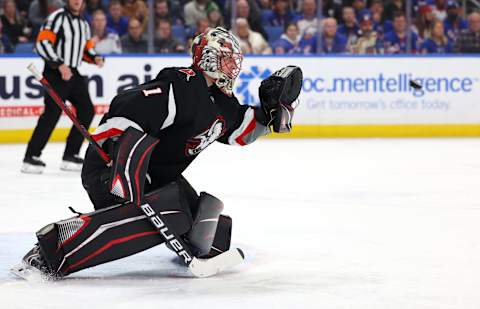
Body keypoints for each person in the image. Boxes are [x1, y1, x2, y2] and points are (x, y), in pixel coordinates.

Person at [12, 27, 301, 280]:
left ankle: (185, 240)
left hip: (154, 180)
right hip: (112, 169)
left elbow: (240, 131)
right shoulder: (182, 85)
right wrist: (124, 162)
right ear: (209, 58)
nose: (232, 68)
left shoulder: (222, 104)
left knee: (207, 227)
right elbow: (126, 105)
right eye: (227, 60)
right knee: (172, 211)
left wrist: (270, 113)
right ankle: (51, 251)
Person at [22, 0, 104, 174]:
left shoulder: (83, 23)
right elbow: (42, 44)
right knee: (52, 113)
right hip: (55, 72)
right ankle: (30, 157)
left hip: (72, 72)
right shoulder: (56, 18)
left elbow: (86, 49)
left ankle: (70, 154)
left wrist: (95, 57)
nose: (77, 1)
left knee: (87, 110)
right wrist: (59, 64)